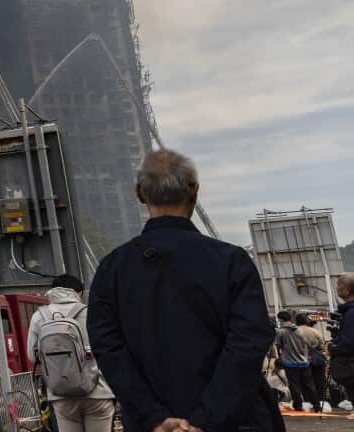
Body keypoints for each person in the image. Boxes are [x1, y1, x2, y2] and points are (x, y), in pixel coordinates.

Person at [87, 150, 277, 432]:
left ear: (139, 193)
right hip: (236, 422)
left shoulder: (112, 269)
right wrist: (205, 420)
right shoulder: (231, 261)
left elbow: (108, 350)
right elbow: (248, 344)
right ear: (195, 191)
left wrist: (154, 417)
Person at [27, 274, 116, 432]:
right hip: (98, 391)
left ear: (52, 292)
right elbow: (110, 349)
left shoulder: (39, 316)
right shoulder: (92, 312)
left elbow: (32, 355)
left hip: (61, 394)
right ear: (79, 292)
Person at [275, 310, 320, 412]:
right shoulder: (299, 330)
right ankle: (317, 405)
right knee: (309, 385)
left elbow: (279, 347)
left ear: (281, 319)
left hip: (290, 363)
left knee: (294, 386)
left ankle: (298, 406)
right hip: (304, 362)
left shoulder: (281, 332)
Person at [296, 314, 330, 411]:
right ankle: (319, 402)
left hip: (301, 360)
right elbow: (322, 345)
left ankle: (307, 402)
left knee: (305, 383)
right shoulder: (315, 331)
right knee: (319, 381)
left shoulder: (294, 332)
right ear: (307, 321)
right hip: (316, 360)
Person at [332, 273, 354, 410]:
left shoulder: (351, 313)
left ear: (348, 289)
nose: (337, 288)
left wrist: (333, 348)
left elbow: (350, 343)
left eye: (339, 284)